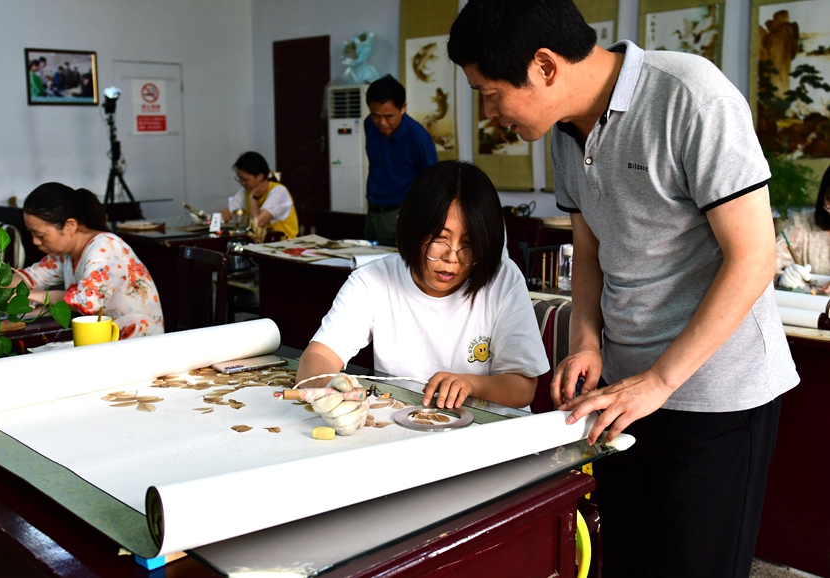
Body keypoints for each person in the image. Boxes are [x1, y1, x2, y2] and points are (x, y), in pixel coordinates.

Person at [447, 2, 798, 577]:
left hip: (715, 395)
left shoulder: (690, 95)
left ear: (543, 66)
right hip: (622, 395)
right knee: (629, 560)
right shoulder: (565, 133)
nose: (489, 113)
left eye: (489, 93)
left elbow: (754, 258)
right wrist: (587, 342)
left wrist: (659, 381)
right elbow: (589, 252)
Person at [296, 160, 548, 433]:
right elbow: (318, 356)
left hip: (491, 436)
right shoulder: (372, 281)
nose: (452, 258)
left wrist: (472, 384)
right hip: (406, 432)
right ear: (413, 229)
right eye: (440, 239)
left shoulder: (502, 280)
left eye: (469, 245)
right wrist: (329, 388)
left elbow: (524, 388)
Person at [15, 183, 164, 339]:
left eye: (40, 235)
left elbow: (86, 302)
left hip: (138, 342)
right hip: (104, 336)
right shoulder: (65, 253)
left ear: (70, 226)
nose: (35, 242)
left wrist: (37, 295)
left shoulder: (104, 248)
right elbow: (31, 277)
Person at [364, 74, 438, 247]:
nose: (382, 122)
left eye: (389, 116)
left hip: (401, 215)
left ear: (403, 108)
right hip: (372, 212)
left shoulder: (418, 138)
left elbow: (434, 185)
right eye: (375, 115)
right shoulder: (369, 124)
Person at [775, 165, 830, 293]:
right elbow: (762, 270)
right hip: (810, 309)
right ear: (825, 198)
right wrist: (780, 279)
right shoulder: (802, 225)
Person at [220, 151, 298, 240]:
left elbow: (257, 224)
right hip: (259, 245)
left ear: (260, 176)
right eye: (239, 179)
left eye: (245, 180)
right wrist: (223, 215)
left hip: (283, 246)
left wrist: (253, 197)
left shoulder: (278, 192)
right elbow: (229, 214)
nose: (241, 183)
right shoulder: (245, 191)